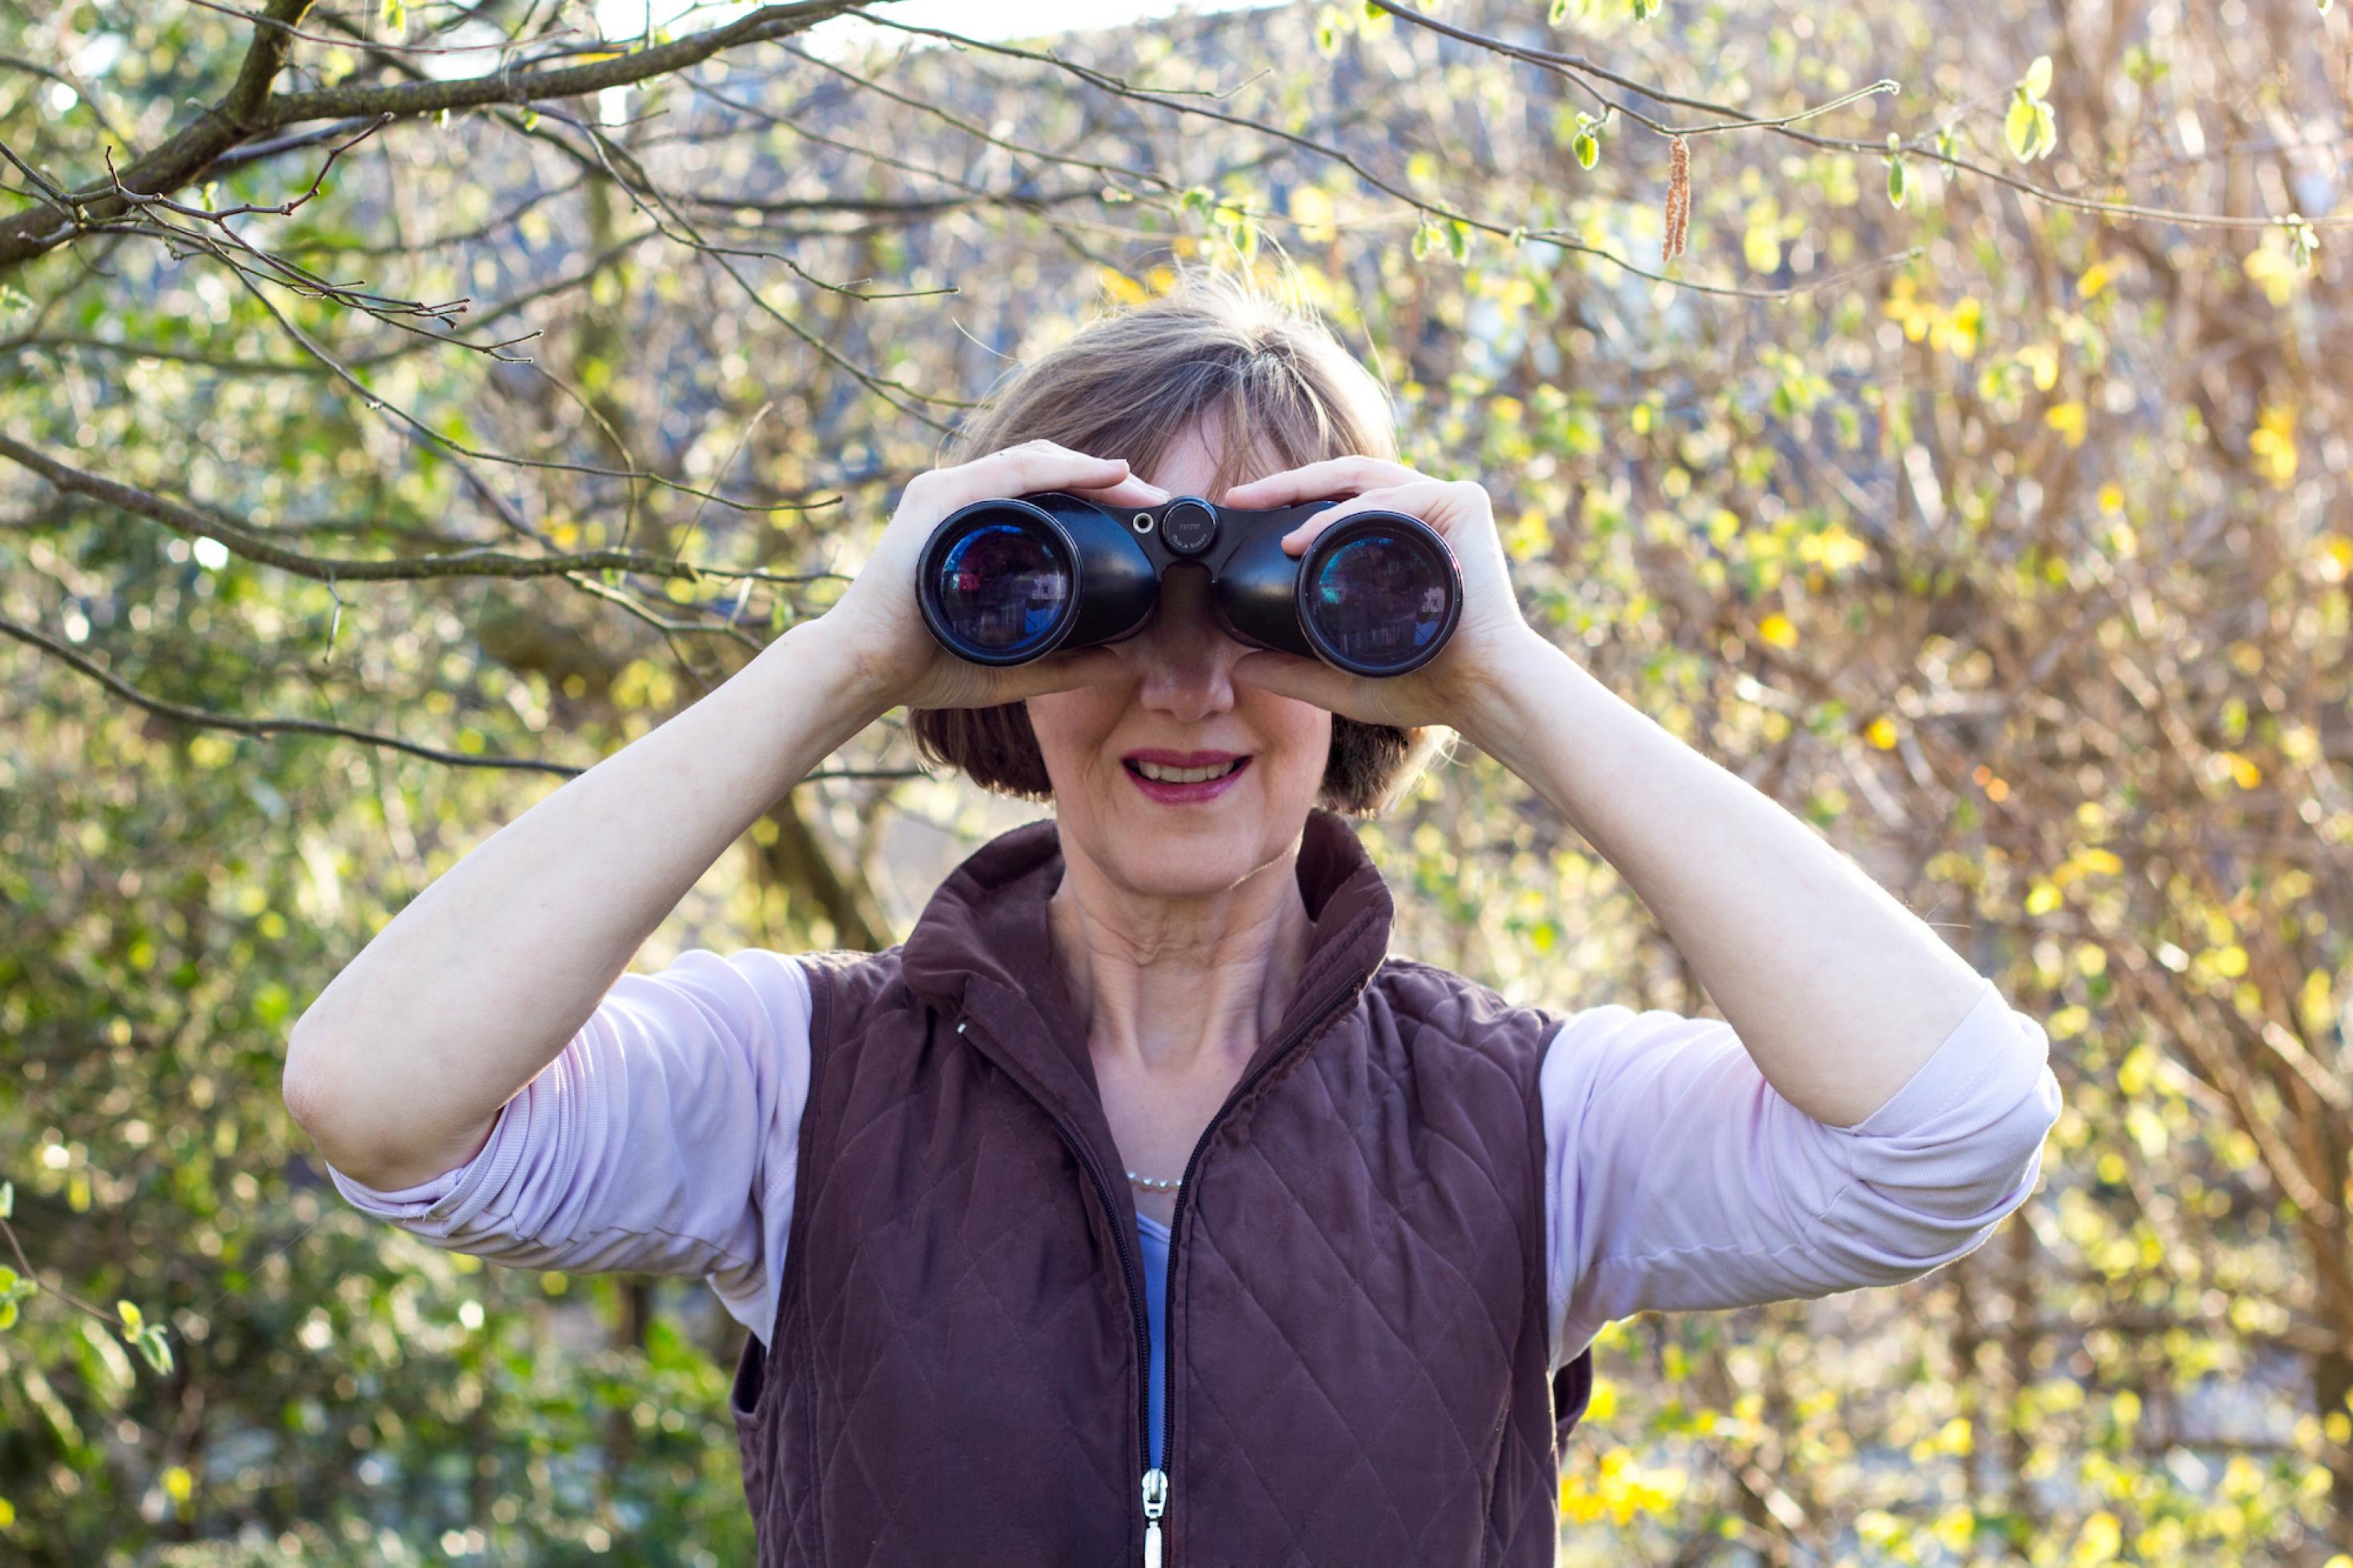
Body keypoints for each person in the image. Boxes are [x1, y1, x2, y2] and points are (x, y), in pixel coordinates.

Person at [283, 264, 2063, 1566]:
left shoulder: (1535, 1121)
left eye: (1286, 611)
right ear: (995, 636)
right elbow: (378, 1095)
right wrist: (845, 656)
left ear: (1382, 651)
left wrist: (1509, 678)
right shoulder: (797, 1084)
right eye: (1109, 604)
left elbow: (1952, 1119)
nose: (1193, 684)